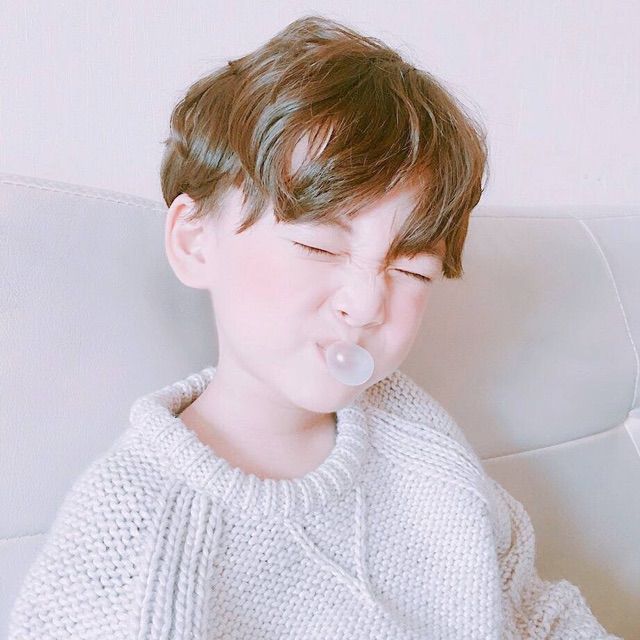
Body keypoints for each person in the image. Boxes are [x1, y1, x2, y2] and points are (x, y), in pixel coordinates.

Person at [8, 14, 619, 640]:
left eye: (412, 270)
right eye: (320, 246)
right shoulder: (126, 541)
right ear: (195, 240)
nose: (367, 303)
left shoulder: (413, 431)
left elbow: (532, 610)